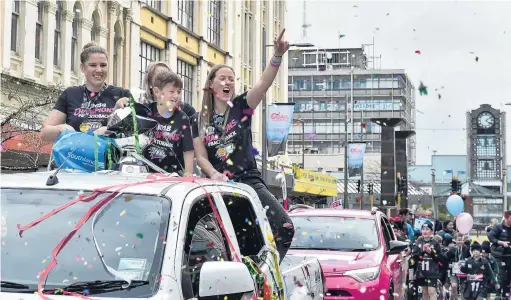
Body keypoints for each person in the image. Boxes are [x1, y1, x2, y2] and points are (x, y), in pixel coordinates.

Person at [194, 29, 293, 260]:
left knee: (284, 227)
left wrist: (277, 56)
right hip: (220, 187)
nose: (228, 82)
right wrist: (214, 174)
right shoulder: (199, 119)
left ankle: (266, 271)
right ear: (211, 84)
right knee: (235, 240)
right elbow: (201, 157)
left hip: (248, 182)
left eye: (232, 78)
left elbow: (262, 84)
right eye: (223, 78)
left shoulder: (241, 106)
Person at [41, 42, 132, 142]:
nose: (99, 70)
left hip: (108, 156)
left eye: (103, 65)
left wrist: (109, 130)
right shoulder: (70, 94)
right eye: (93, 65)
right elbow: (44, 134)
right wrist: (61, 129)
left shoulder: (122, 95)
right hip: (75, 155)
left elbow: (136, 134)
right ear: (82, 68)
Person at [141, 61, 202, 176]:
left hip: (172, 174)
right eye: (171, 91)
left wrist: (188, 172)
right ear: (156, 91)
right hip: (146, 172)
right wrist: (123, 102)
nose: (176, 96)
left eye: (179, 92)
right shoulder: (146, 111)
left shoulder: (183, 117)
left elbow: (188, 148)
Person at [411, 220, 444, 300]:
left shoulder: (435, 243)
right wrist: (422, 252)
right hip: (422, 271)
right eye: (423, 229)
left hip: (432, 272)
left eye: (427, 229)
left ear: (431, 231)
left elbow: (440, 258)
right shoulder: (418, 242)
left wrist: (431, 252)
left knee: (432, 291)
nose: (425, 231)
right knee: (424, 291)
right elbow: (414, 257)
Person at [487, 210, 511, 297]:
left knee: (508, 275)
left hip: (509, 255)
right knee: (500, 275)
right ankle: (497, 294)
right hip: (498, 255)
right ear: (506, 218)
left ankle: (506, 294)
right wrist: (501, 242)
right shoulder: (498, 227)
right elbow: (490, 237)